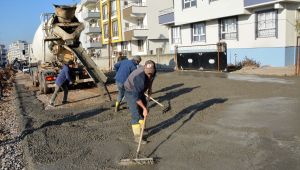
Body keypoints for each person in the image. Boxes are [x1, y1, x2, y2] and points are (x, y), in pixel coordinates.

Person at [124, 60, 156, 144]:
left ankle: (142, 130)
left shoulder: (153, 71)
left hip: (140, 91)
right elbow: (136, 97)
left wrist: (150, 89)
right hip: (131, 92)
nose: (149, 73)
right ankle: (137, 137)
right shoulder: (139, 77)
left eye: (151, 72)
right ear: (144, 68)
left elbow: (151, 79)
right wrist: (144, 108)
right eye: (147, 72)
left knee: (143, 113)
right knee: (136, 114)